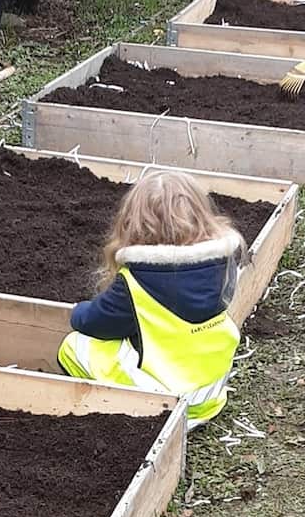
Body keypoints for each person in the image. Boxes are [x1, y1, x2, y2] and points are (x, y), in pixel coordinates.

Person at [58, 169, 247, 429]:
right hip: (209, 395)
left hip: (171, 401)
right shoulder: (223, 265)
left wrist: (77, 311)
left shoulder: (136, 281)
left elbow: (96, 323)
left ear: (133, 224)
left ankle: (125, 412)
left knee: (75, 346)